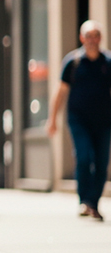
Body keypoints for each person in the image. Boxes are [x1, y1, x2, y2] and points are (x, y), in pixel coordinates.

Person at [48, 20, 110, 221]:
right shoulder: (72, 62)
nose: (92, 40)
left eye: (96, 35)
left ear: (100, 38)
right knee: (83, 157)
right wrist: (52, 119)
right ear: (81, 38)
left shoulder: (107, 63)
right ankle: (84, 200)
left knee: (101, 162)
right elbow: (61, 91)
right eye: (88, 36)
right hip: (78, 119)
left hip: (103, 120)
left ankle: (93, 203)